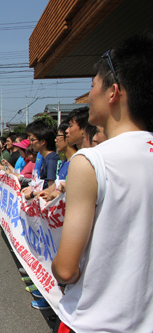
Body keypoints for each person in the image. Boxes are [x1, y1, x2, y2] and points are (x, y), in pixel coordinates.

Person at [52, 34, 153, 332]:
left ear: (113, 92)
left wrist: (55, 266)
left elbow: (67, 268)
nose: (89, 95)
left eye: (93, 85)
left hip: (93, 321)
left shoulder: (91, 162)